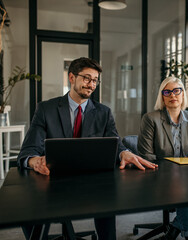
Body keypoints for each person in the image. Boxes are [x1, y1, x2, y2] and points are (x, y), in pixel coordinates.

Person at [17, 57, 158, 240]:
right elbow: (28, 151)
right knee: (22, 207)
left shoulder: (104, 112)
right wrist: (35, 161)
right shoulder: (46, 109)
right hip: (54, 181)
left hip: (93, 182)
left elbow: (116, 144)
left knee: (108, 197)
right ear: (72, 77)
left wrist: (125, 153)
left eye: (95, 81)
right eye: (86, 78)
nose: (91, 85)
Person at [137, 77, 188, 240]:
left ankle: (174, 229)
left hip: (187, 174)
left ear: (182, 94)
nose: (172, 95)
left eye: (176, 91)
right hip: (158, 176)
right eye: (167, 92)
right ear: (162, 96)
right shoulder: (150, 118)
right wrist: (173, 171)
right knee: (186, 192)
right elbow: (146, 155)